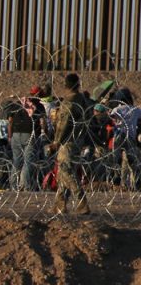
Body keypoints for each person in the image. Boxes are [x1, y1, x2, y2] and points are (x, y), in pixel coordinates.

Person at [53, 73, 91, 215]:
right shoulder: (83, 101)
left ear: (66, 86)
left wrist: (56, 142)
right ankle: (59, 204)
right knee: (64, 172)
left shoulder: (68, 102)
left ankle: (82, 202)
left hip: (67, 142)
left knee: (67, 171)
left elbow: (63, 125)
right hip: (79, 140)